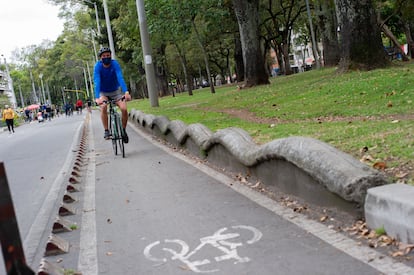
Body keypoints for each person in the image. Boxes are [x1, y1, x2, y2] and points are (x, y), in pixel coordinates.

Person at [94, 47, 131, 143]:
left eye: (108, 55)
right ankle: (106, 130)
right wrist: (97, 98)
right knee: (104, 107)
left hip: (116, 91)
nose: (106, 57)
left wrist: (126, 92)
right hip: (103, 92)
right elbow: (97, 81)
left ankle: (123, 131)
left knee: (124, 109)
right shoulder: (98, 66)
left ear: (110, 56)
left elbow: (120, 78)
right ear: (101, 58)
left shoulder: (115, 64)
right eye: (104, 56)